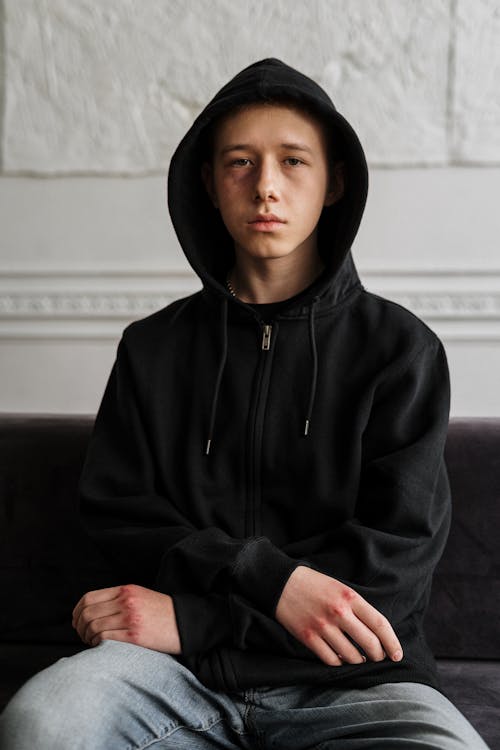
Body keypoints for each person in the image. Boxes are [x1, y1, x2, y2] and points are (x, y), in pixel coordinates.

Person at [0, 57, 490, 749]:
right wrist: (271, 583)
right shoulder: (151, 350)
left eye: (293, 161)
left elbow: (389, 579)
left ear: (335, 181)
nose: (266, 187)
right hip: (171, 674)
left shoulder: (401, 353)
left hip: (356, 684)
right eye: (239, 162)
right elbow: (123, 523)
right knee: (42, 723)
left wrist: (206, 616)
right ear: (208, 181)